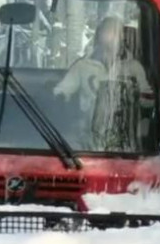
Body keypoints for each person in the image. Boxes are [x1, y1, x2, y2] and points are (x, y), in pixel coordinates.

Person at [53, 15, 152, 150]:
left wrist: (135, 95)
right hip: (87, 140)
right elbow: (61, 91)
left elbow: (148, 101)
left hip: (124, 143)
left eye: (115, 35)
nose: (111, 42)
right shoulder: (83, 66)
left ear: (122, 39)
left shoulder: (133, 68)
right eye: (107, 34)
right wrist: (62, 101)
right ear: (98, 38)